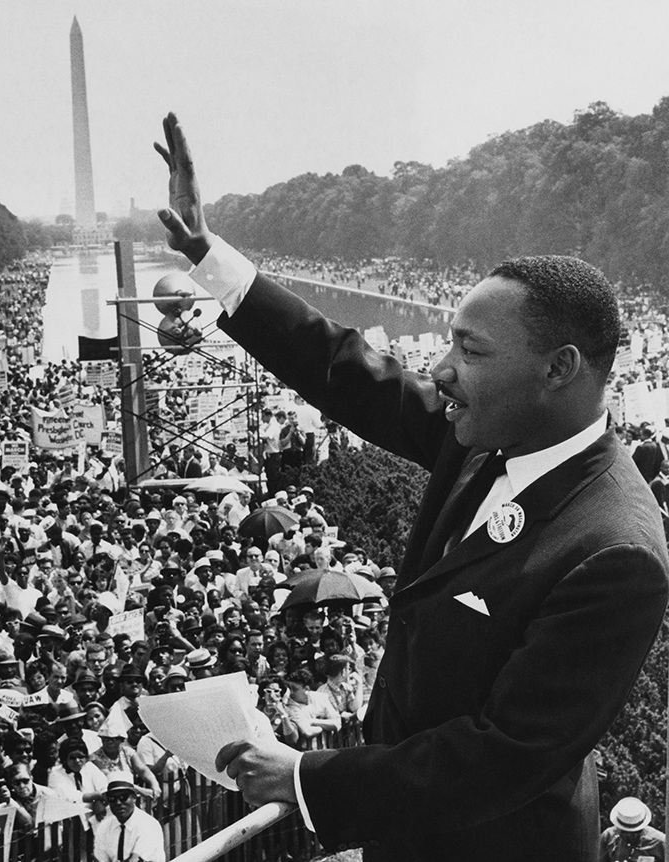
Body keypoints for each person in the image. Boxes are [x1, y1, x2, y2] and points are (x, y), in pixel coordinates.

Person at [156, 112, 669, 861]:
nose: (440, 368)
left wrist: (307, 780)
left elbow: (504, 756)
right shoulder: (490, 433)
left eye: (471, 348)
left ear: (559, 369)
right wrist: (210, 257)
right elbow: (345, 370)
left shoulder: (618, 551)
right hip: (412, 834)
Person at [93, 772, 166, 862]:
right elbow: (100, 859)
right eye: (112, 799)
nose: (118, 803)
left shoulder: (149, 825)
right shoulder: (104, 828)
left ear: (134, 797)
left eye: (124, 797)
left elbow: (136, 860)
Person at [598, 797, 665, 861]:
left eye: (635, 832)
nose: (629, 835)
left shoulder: (660, 841)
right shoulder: (608, 836)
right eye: (624, 831)